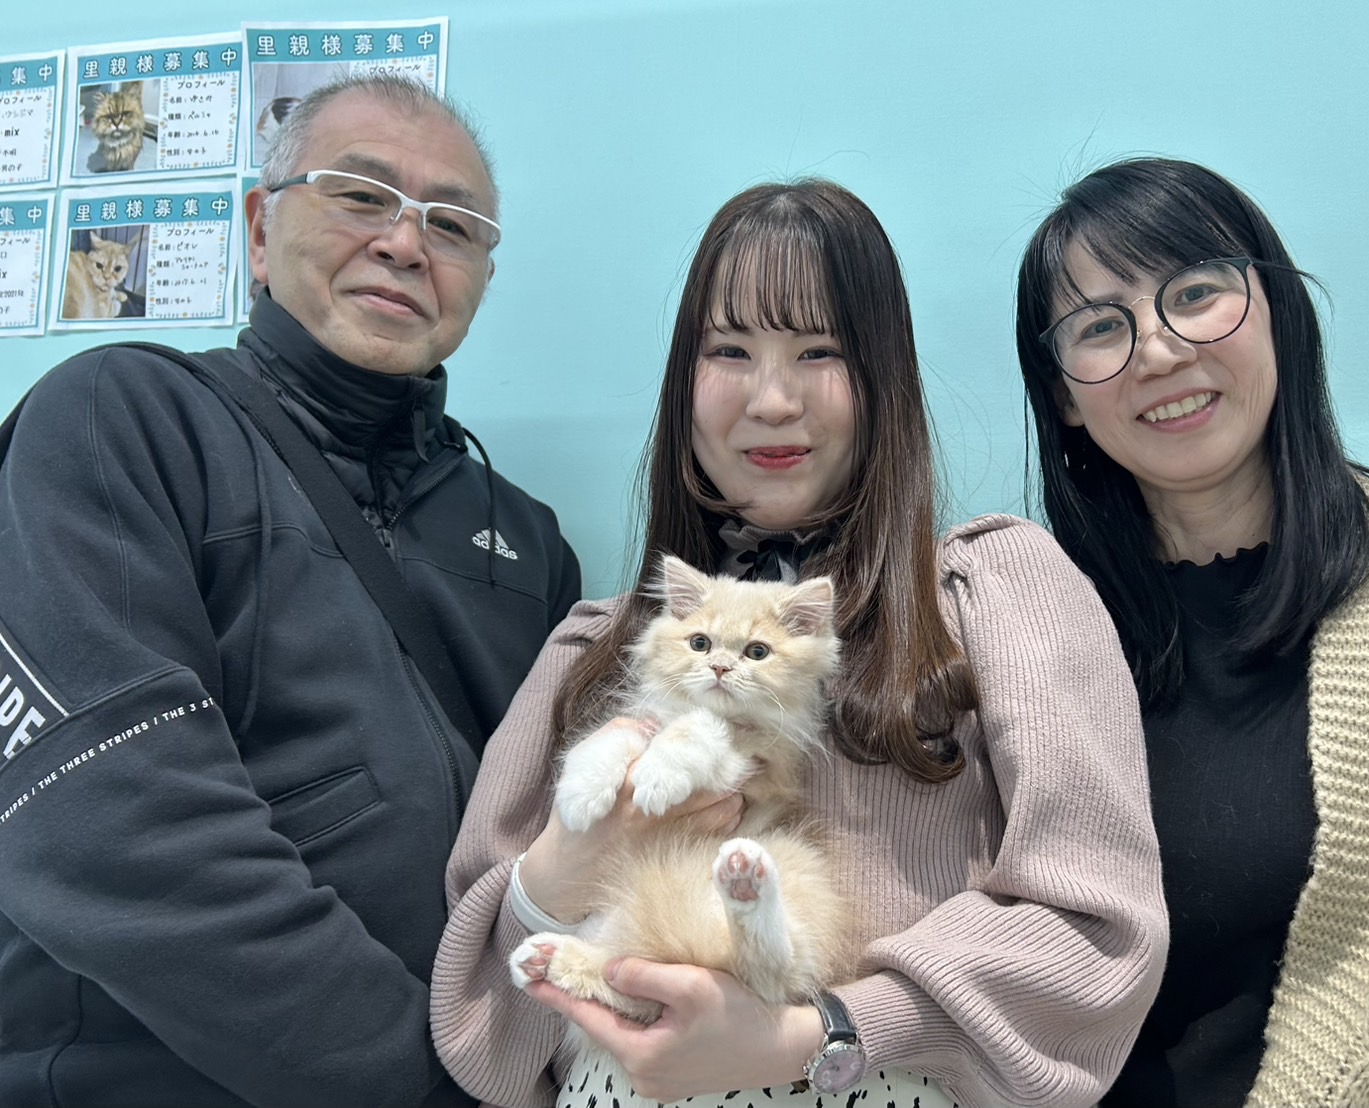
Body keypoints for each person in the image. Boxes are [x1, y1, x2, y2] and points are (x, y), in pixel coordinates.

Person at [430, 178, 1168, 1107]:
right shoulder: (592, 653)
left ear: (883, 380)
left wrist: (826, 1032)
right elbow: (485, 1045)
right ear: (683, 381)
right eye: (729, 350)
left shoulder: (994, 597)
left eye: (819, 351)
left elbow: (1097, 931)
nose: (773, 400)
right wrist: (563, 869)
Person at [0, 74, 581, 1107]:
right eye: (361, 196)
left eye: (451, 224)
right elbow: (116, 831)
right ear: (260, 231)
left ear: (482, 278)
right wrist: (430, 1087)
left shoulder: (527, 543)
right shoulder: (122, 422)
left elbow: (555, 847)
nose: (405, 243)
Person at [1014, 156, 1369, 1107]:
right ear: (1062, 396)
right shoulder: (1018, 626)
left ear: (1276, 309)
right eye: (1100, 326)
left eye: (1194, 293)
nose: (1157, 350)